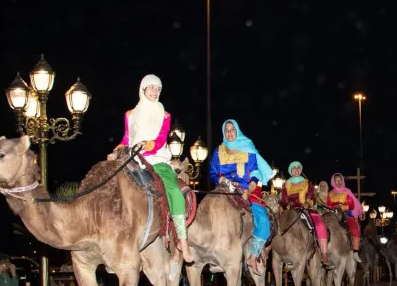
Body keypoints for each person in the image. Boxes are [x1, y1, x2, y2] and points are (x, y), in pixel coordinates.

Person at [116, 74, 193, 273]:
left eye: (158, 89)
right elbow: (127, 137)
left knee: (174, 191)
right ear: (142, 90)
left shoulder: (164, 115)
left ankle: (182, 239)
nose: (155, 92)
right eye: (151, 88)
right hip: (132, 158)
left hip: (157, 159)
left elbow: (160, 139)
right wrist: (117, 149)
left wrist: (147, 145)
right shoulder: (130, 114)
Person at [209, 119, 275, 273]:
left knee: (264, 221)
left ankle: (253, 255)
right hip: (224, 188)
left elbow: (255, 171)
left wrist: (250, 188)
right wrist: (222, 180)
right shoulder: (219, 150)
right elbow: (213, 171)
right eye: (226, 130)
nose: (229, 132)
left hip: (246, 189)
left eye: (232, 129)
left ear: (237, 131)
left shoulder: (248, 148)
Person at [282, 161, 328, 259]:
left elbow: (312, 196)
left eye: (298, 167)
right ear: (290, 170)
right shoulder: (286, 184)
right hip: (291, 210)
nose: (296, 169)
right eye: (294, 168)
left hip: (306, 209)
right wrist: (286, 202)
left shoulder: (306, 183)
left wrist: (308, 202)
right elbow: (283, 200)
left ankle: (324, 253)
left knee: (320, 224)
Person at [327, 173, 364, 256]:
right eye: (336, 180)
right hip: (332, 214)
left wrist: (342, 207)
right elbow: (328, 204)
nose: (338, 182)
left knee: (354, 228)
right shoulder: (330, 193)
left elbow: (352, 205)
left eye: (340, 180)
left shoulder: (347, 191)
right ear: (333, 182)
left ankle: (355, 251)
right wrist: (332, 207)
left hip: (345, 214)